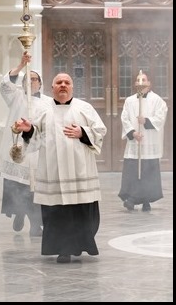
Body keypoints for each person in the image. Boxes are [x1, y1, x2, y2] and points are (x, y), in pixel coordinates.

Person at [13, 72, 107, 263]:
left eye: (67, 82)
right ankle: (63, 249)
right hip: (53, 171)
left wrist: (83, 132)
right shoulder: (43, 110)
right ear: (52, 87)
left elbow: (100, 131)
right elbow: (36, 138)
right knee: (57, 213)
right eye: (59, 82)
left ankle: (80, 245)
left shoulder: (84, 108)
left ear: (72, 87)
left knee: (81, 211)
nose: (63, 85)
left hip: (80, 170)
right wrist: (28, 130)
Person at [0, 51, 52, 237]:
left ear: (40, 83)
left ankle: (35, 224)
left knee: (35, 190)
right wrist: (21, 65)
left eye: (35, 79)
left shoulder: (49, 102)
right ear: (22, 83)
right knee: (19, 187)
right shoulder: (16, 97)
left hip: (37, 150)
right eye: (27, 79)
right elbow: (5, 85)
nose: (31, 81)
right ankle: (19, 212)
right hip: (19, 149)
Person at [118, 72, 168, 212]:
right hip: (135, 143)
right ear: (135, 84)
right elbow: (125, 118)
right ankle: (132, 199)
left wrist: (146, 121)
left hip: (149, 142)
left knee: (148, 172)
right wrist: (133, 133)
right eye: (138, 81)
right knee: (133, 171)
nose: (141, 83)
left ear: (149, 83)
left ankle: (144, 200)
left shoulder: (157, 100)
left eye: (144, 80)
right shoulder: (130, 101)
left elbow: (160, 117)